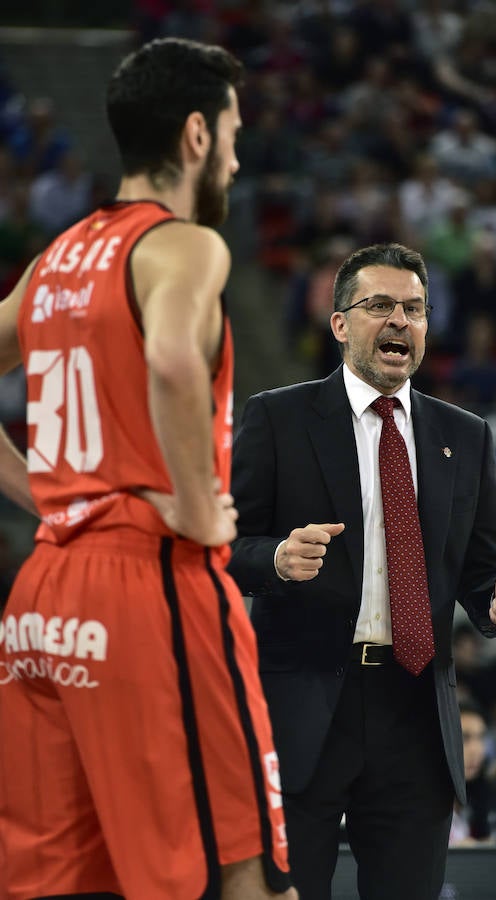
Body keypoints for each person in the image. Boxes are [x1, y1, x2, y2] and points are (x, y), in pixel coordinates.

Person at [0, 37, 297, 900]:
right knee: (245, 876)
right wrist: (199, 507)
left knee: (63, 881)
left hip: (42, 596)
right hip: (148, 579)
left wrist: (41, 496)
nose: (236, 159)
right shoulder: (185, 246)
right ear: (197, 135)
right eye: (232, 135)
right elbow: (171, 358)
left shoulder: (56, 259)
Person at [228, 241, 496, 900]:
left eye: (414, 309)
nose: (400, 320)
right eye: (379, 306)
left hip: (416, 712)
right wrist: (276, 558)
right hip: (305, 704)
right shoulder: (278, 417)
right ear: (340, 324)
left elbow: (482, 573)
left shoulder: (465, 434)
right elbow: (223, 548)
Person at [449, 700, 495, 845]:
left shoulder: (480, 792)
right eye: (464, 738)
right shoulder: (420, 802)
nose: (477, 750)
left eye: (481, 738)